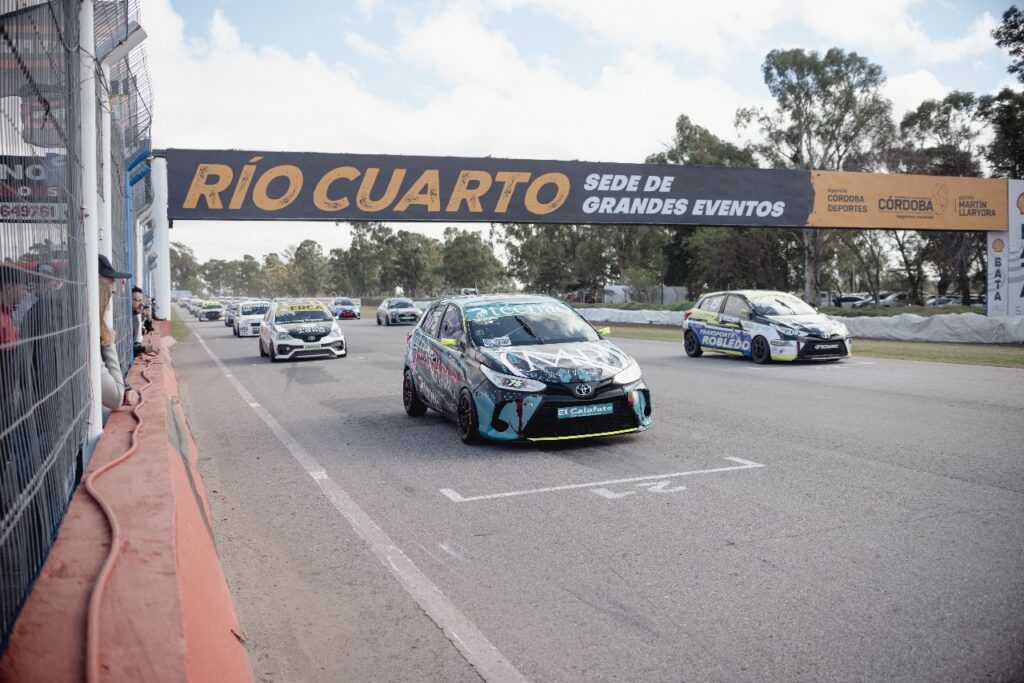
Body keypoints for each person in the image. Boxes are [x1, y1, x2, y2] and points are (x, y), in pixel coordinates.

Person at [98, 256, 139, 410]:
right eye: (110, 281)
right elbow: (115, 398)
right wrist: (108, 342)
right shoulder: (83, 331)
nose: (114, 289)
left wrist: (125, 386)